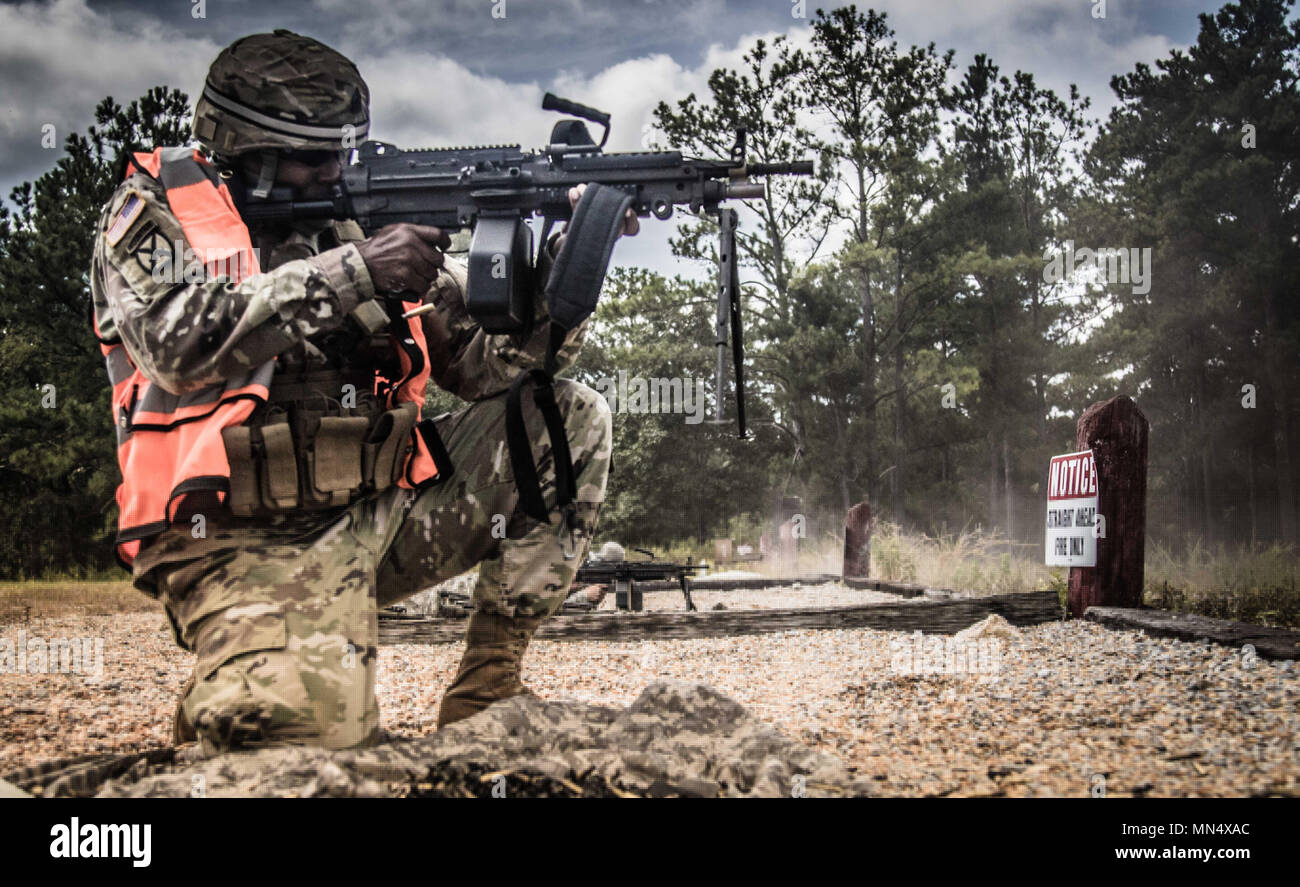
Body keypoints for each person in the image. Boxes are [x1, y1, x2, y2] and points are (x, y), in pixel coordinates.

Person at [90, 29, 632, 753]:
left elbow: (484, 366)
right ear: (249, 152)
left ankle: (486, 693)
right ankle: (244, 674)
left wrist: (572, 266)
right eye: (317, 159)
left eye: (344, 152)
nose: (336, 170)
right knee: (314, 750)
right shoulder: (153, 213)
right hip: (232, 539)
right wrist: (357, 271)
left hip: (376, 518)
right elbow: (175, 344)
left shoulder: (352, 220)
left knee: (563, 419)